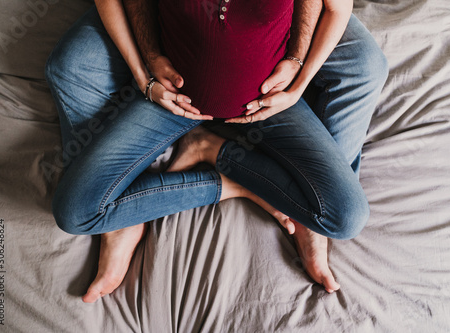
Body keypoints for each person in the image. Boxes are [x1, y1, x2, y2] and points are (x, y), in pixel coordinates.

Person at [45, 0, 388, 303]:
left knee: (344, 217)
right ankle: (232, 183)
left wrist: (297, 77)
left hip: (269, 104)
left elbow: (332, 7)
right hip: (175, 103)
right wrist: (146, 73)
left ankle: (216, 150)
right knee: (77, 212)